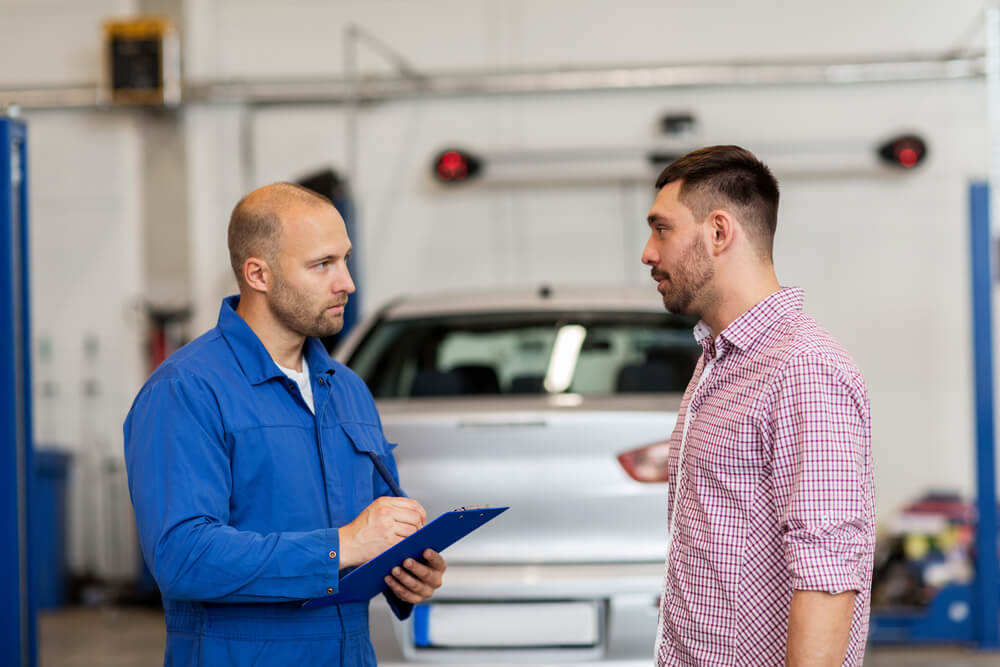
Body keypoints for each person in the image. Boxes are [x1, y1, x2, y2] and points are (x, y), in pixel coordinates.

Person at [123, 183, 446, 666]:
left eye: (345, 260)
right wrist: (343, 545)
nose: (347, 283)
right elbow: (183, 557)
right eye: (323, 265)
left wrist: (405, 572)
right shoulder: (187, 390)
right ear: (259, 274)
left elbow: (372, 533)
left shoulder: (347, 389)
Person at [641, 146, 874, 666]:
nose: (648, 253)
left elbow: (828, 573)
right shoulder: (719, 359)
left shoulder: (803, 368)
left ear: (718, 232)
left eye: (662, 229)